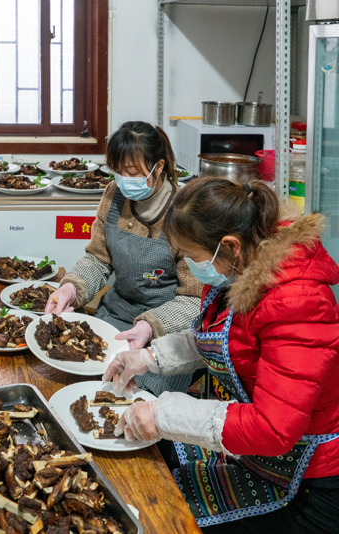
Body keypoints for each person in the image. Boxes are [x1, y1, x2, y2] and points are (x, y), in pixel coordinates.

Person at [104, 177, 339, 533]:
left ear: (229, 246)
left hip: (304, 478)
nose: (189, 265)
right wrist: (149, 357)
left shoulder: (298, 300)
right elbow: (221, 339)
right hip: (253, 452)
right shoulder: (243, 268)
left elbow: (274, 427)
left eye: (192, 257)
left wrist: (163, 413)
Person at [45, 121, 203, 396]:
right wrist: (72, 287)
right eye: (118, 172)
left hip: (167, 333)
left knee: (131, 396)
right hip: (115, 318)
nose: (123, 181)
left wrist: (150, 326)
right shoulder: (113, 196)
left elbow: (194, 299)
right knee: (74, 376)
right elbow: (98, 258)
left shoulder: (184, 214)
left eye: (131, 173)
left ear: (159, 167)